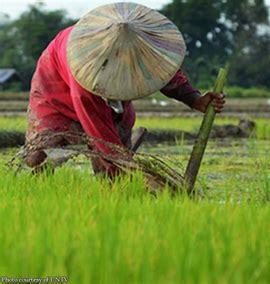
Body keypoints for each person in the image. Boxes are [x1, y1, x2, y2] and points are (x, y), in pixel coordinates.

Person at [24, 2, 225, 177]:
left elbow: (162, 70)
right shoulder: (83, 68)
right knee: (39, 156)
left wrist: (194, 98)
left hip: (111, 103)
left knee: (114, 172)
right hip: (55, 95)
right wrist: (129, 168)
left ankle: (116, 194)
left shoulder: (141, 44)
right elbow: (101, 136)